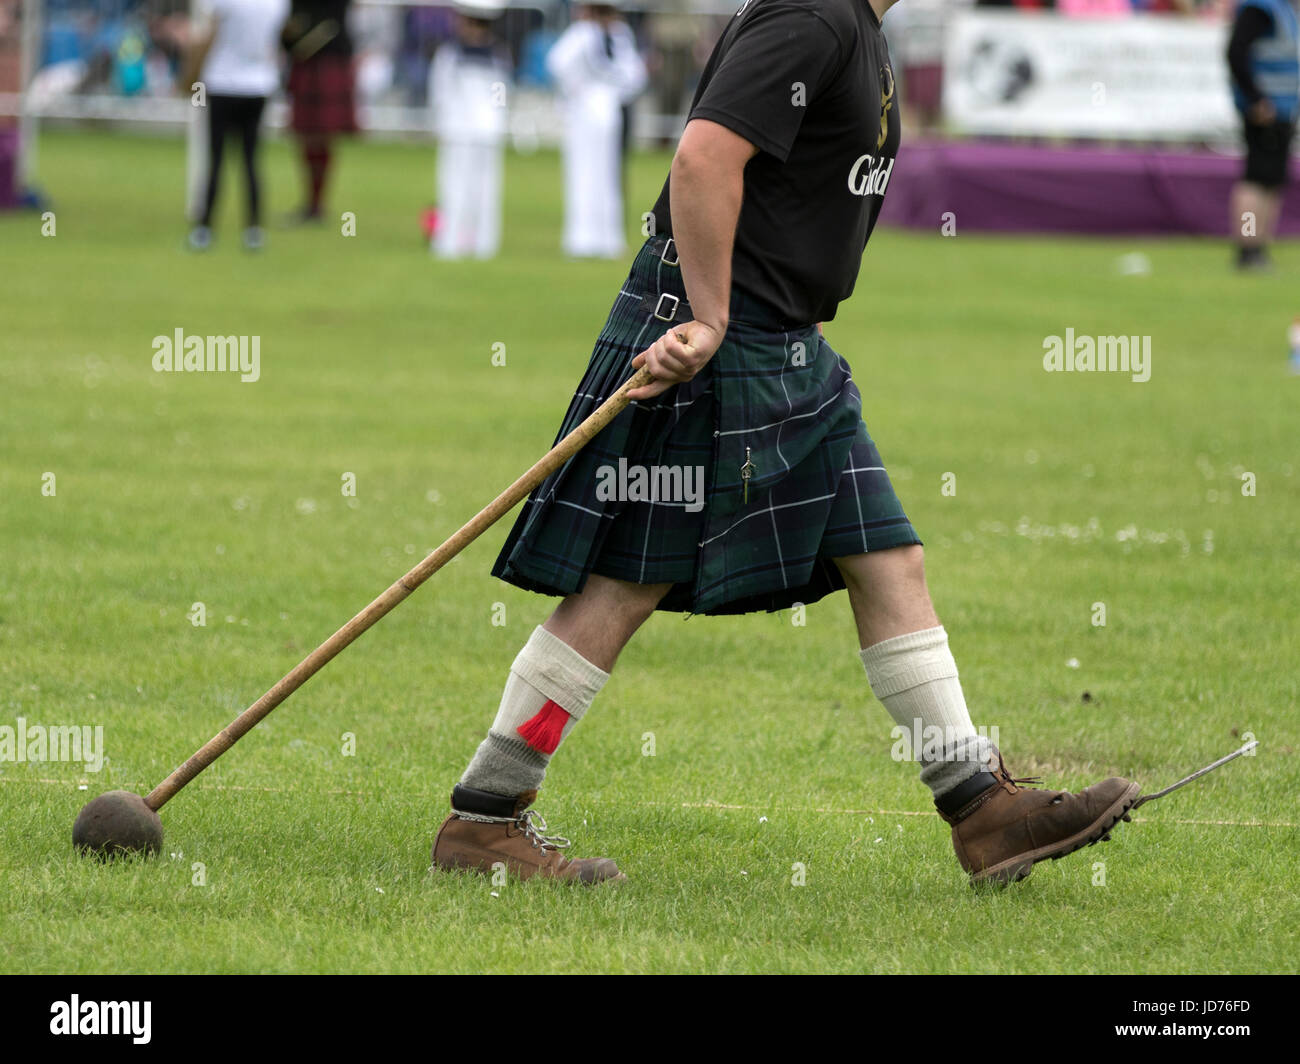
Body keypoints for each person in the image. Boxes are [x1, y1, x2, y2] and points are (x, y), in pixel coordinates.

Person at [432, 0, 1140, 889]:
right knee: (621, 585)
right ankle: (485, 816)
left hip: (786, 347)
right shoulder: (812, 14)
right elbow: (702, 155)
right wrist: (709, 312)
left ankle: (980, 809)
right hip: (714, 342)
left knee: (890, 558)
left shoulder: (859, 29)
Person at [184, 0, 289, 251]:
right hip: (259, 85)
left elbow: (209, 34)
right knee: (251, 159)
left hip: (223, 83)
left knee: (216, 159)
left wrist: (190, 73)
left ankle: (204, 229)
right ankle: (253, 230)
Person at [546, 3, 647, 259]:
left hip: (609, 111)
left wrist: (615, 91)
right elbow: (557, 63)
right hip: (583, 112)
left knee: (608, 174)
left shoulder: (620, 35)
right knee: (582, 171)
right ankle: (581, 238)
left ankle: (608, 238)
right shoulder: (582, 33)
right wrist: (577, 90)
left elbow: (635, 74)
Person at [428, 0, 511, 259]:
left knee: (466, 186)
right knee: (470, 186)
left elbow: (439, 93)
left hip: (465, 129)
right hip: (475, 129)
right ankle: (463, 242)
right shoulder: (496, 54)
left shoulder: (452, 54)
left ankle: (465, 243)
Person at [1226, 0, 1299, 270]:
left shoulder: (1284, 10)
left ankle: (1260, 247)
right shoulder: (1260, 8)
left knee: (1273, 180)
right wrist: (1256, 99)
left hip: (1284, 108)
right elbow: (1236, 52)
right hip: (1265, 109)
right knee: (1256, 178)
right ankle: (1247, 248)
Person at [282, 0, 359, 224]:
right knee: (307, 136)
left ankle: (316, 204)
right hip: (306, 59)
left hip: (330, 59)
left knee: (323, 135)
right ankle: (312, 203)